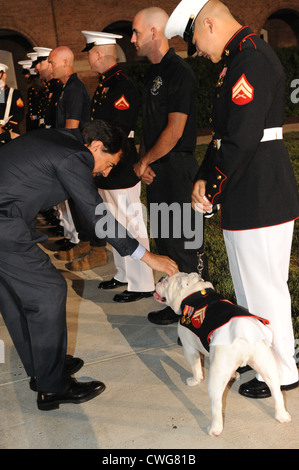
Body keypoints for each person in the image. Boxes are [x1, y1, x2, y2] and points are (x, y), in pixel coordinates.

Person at [165, 0, 299, 396]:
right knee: (248, 286)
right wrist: (205, 179)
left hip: (260, 191)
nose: (201, 53)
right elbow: (223, 135)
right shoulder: (237, 60)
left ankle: (281, 370)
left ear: (208, 23)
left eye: (197, 43)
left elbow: (242, 138)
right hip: (248, 191)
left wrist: (215, 188)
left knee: (264, 287)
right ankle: (263, 361)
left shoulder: (251, 59)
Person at [0, 119, 178, 411]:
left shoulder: (64, 140)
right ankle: (53, 387)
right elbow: (100, 219)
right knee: (48, 292)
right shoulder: (75, 157)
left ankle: (43, 366)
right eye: (108, 163)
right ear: (95, 146)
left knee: (14, 295)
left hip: (6, 220)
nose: (106, 172)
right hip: (5, 225)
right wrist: (148, 257)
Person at [131, 7, 208, 323]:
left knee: (185, 244)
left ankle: (198, 311)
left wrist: (145, 160)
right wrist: (143, 161)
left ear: (153, 32)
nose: (132, 39)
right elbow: (150, 125)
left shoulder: (178, 71)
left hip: (177, 169)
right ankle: (177, 303)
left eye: (136, 32)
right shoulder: (152, 72)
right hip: (158, 171)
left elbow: (175, 131)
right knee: (165, 239)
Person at [73, 30, 155, 302]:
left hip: (118, 164)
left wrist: (106, 162)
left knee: (130, 223)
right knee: (113, 222)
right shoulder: (106, 83)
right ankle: (124, 274)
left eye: (90, 54)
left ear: (98, 54)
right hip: (106, 165)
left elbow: (118, 130)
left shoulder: (121, 84)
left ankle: (142, 282)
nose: (89, 59)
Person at [48, 46, 91, 252]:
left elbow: (72, 127)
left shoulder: (74, 89)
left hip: (74, 153)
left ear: (66, 63)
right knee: (73, 203)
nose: (50, 66)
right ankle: (83, 243)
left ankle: (89, 244)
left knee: (79, 202)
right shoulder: (66, 88)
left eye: (52, 62)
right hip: (70, 153)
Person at [0, 63, 24, 145]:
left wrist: (5, 128)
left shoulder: (14, 93)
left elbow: (19, 113)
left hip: (11, 131)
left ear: (4, 75)